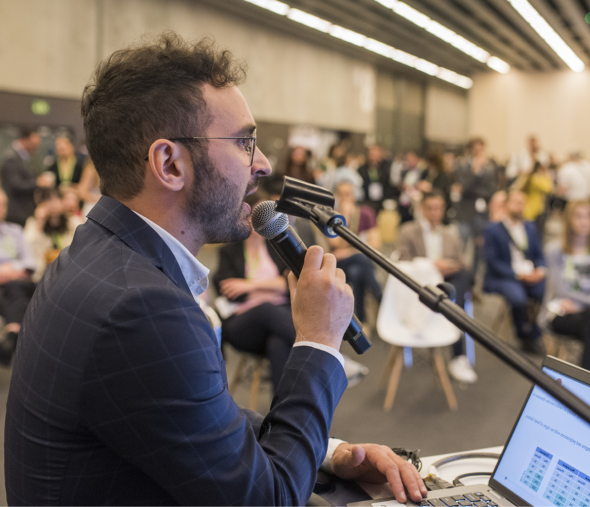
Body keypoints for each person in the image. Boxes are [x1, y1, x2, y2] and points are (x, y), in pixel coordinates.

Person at [5, 33, 426, 505]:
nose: (263, 163)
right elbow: (269, 500)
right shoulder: (142, 307)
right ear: (169, 163)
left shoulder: (101, 254)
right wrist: (318, 340)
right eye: (244, 142)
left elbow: (193, 417)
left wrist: (327, 452)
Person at [213, 195, 296, 391]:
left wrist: (251, 286)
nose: (257, 221)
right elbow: (231, 291)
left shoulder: (276, 246)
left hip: (279, 320)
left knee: (278, 344)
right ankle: (326, 352)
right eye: (253, 216)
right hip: (244, 322)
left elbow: (290, 284)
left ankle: (281, 408)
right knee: (266, 308)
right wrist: (272, 285)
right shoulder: (230, 251)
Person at [396, 190, 475, 383]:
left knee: (462, 277)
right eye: (430, 208)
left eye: (438, 208)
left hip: (448, 283)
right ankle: (452, 316)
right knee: (457, 299)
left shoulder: (450, 234)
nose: (434, 213)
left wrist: (448, 266)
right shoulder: (408, 231)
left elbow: (461, 263)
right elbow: (403, 262)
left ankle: (458, 353)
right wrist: (432, 265)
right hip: (421, 284)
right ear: (423, 209)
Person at [540, 201, 590, 378]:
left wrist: (584, 304)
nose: (585, 222)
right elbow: (561, 291)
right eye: (579, 217)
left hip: (588, 314)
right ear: (569, 219)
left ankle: (589, 382)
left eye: (589, 217)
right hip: (560, 312)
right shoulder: (554, 250)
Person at [483, 190, 546, 354]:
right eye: (516, 202)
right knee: (518, 298)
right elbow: (493, 262)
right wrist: (517, 275)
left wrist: (540, 270)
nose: (520, 207)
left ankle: (535, 329)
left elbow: (539, 254)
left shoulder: (530, 227)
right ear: (506, 205)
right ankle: (525, 335)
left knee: (547, 292)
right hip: (505, 277)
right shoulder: (493, 229)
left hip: (530, 274)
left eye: (522, 203)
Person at [319, 179, 383, 325]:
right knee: (360, 259)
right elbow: (336, 244)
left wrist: (350, 252)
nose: (346, 198)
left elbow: (374, 245)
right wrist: (345, 217)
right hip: (339, 264)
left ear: (354, 195)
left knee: (356, 272)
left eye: (348, 194)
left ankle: (361, 320)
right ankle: (379, 296)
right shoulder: (331, 216)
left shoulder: (366, 213)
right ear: (337, 196)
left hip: (360, 262)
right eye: (342, 194)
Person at [0, 190, 37, 366]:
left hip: (20, 280)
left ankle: (11, 337)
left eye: (3, 205)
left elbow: (30, 261)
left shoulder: (15, 230)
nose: (1, 209)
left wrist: (10, 270)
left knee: (16, 287)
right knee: (13, 293)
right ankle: (14, 335)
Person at [454, 138, 498, 273]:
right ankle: (458, 274)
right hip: (465, 211)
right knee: (460, 246)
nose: (479, 151)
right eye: (476, 148)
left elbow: (490, 190)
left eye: (481, 148)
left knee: (480, 248)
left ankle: (473, 278)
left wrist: (475, 189)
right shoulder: (463, 166)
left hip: (481, 214)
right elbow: (464, 188)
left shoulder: (489, 168)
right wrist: (475, 172)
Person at [23, 188, 85, 282]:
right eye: (49, 200)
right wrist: (39, 223)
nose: (54, 204)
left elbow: (83, 244)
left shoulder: (73, 222)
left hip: (69, 269)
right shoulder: (33, 223)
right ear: (42, 204)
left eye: (58, 199)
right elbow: (27, 248)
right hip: (43, 273)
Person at [0, 128, 51, 226]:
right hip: (16, 211)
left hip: (22, 210)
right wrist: (37, 182)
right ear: (26, 139)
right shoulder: (11, 158)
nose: (37, 145)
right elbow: (15, 184)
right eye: (35, 141)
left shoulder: (22, 157)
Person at [358, 145, 394, 213]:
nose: (374, 158)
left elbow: (388, 185)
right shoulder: (362, 169)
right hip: (367, 201)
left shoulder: (385, 169)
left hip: (382, 201)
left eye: (376, 156)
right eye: (372, 155)